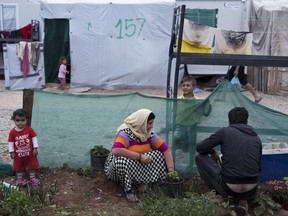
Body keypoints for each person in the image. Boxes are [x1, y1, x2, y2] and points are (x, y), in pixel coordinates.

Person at [195, 107, 262, 216]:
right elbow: (258, 167)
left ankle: (218, 194)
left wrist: (212, 152)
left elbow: (200, 148)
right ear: (247, 121)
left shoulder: (225, 131)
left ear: (229, 120)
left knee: (200, 157)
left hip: (229, 188)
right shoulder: (256, 138)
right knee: (240, 171)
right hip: (252, 190)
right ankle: (243, 201)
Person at [104, 109, 174, 203]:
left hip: (138, 167)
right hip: (118, 170)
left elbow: (166, 150)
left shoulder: (149, 134)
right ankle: (128, 190)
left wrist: (171, 171)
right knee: (122, 161)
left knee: (158, 154)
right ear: (141, 123)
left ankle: (145, 183)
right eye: (149, 123)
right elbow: (116, 150)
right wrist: (139, 157)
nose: (151, 126)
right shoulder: (125, 133)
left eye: (152, 123)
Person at [8, 109, 40, 186]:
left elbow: (34, 138)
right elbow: (11, 143)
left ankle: (32, 178)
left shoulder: (29, 129)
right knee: (19, 167)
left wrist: (35, 148)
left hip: (30, 154)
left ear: (26, 120)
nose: (20, 122)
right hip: (18, 155)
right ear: (14, 120)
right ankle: (19, 179)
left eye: (23, 120)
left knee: (32, 166)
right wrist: (11, 152)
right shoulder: (12, 132)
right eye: (18, 120)